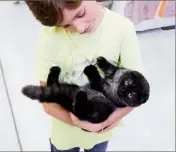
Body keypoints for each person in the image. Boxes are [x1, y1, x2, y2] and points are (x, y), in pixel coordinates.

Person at [25, 0, 145, 151]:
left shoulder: (122, 29)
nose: (80, 28)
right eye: (65, 25)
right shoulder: (48, 37)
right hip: (65, 135)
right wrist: (82, 123)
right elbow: (48, 101)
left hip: (102, 132)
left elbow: (138, 93)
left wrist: (100, 125)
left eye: (80, 13)